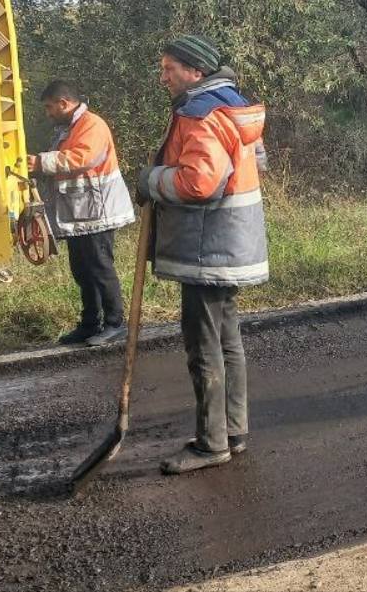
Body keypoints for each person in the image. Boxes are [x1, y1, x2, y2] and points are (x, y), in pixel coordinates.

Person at [135, 35, 270, 474]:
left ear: (194, 71)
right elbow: (258, 164)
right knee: (226, 339)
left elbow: (199, 183)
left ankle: (212, 444)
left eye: (168, 68)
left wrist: (152, 180)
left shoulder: (201, 115)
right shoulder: (236, 106)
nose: (163, 76)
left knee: (204, 345)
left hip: (206, 249)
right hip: (232, 244)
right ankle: (233, 430)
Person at [28, 80, 135, 347]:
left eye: (49, 107)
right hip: (82, 214)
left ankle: (115, 324)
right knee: (83, 271)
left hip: (98, 212)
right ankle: (90, 324)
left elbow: (82, 158)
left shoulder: (92, 124)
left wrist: (40, 162)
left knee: (100, 269)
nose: (48, 113)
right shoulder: (70, 127)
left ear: (64, 104)